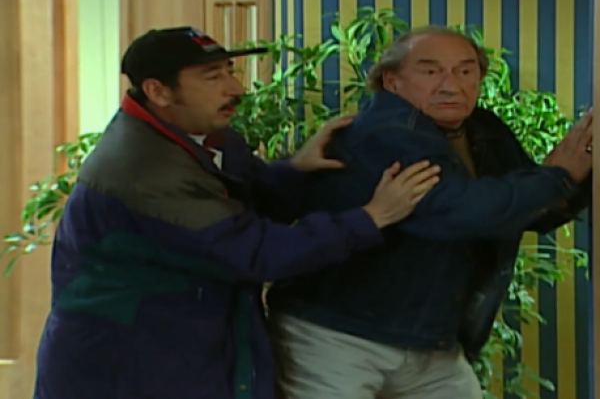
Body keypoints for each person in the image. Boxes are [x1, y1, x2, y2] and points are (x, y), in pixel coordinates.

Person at [33, 27, 441, 399]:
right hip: (125, 366)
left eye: (230, 71)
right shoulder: (144, 168)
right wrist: (371, 218)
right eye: (212, 77)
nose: (235, 87)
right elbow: (255, 252)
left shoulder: (205, 135)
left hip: (180, 353)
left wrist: (296, 170)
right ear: (159, 91)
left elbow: (248, 200)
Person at [267, 26, 593, 399]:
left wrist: (577, 171)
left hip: (429, 341)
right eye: (430, 71)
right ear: (391, 81)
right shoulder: (385, 130)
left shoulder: (483, 129)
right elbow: (459, 212)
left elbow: (531, 210)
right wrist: (558, 178)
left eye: (465, 71)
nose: (451, 85)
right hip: (336, 335)